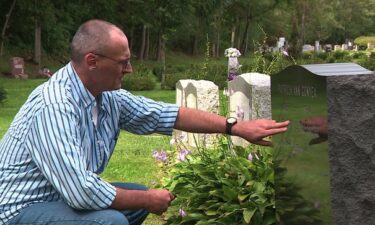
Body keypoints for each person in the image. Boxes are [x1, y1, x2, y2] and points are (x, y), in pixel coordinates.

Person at [0, 19, 289, 225]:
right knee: (111, 220)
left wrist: (234, 127)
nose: (130, 69)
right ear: (92, 61)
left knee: (135, 196)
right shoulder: (55, 105)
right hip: (20, 209)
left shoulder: (106, 96)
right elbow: (82, 192)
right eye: (122, 62)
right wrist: (149, 200)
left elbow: (166, 114)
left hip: (58, 198)